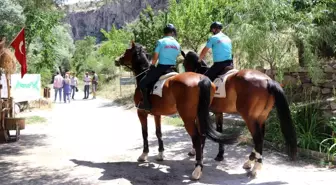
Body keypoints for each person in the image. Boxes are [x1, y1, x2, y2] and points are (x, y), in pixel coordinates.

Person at [138, 23, 181, 111]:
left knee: (142, 83)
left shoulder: (161, 41)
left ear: (164, 32)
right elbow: (177, 56)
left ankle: (146, 105)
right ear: (173, 32)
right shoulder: (177, 44)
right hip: (173, 68)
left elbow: (155, 56)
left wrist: (152, 65)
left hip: (162, 68)